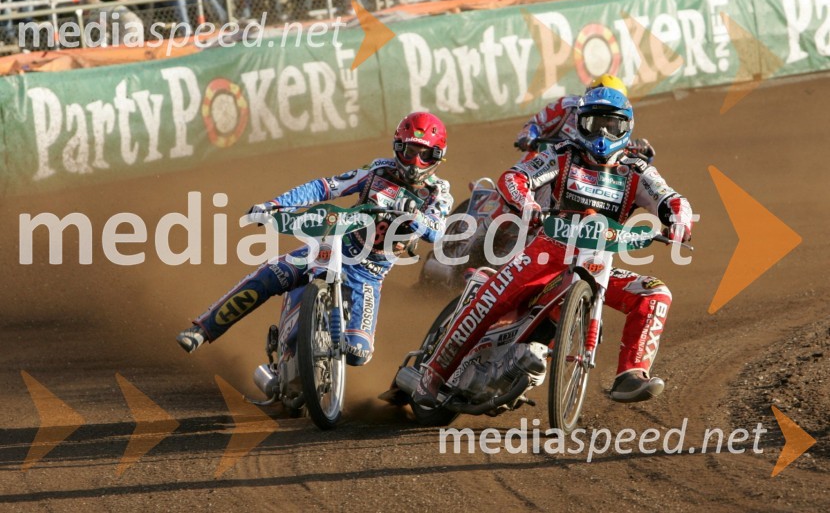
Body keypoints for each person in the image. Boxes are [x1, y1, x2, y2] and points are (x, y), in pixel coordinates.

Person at [414, 87, 693, 406]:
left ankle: (630, 375)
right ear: (579, 123)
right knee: (489, 299)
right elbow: (514, 177)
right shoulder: (563, 155)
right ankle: (433, 373)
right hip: (544, 252)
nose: (602, 133)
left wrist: (679, 222)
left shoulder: (636, 170)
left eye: (611, 125)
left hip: (597, 262)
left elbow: (671, 198)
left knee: (655, 293)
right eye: (593, 124)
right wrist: (527, 203)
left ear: (626, 128)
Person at [177, 112, 453, 367]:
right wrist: (273, 205)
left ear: (438, 156)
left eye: (425, 154)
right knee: (271, 274)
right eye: (409, 151)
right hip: (332, 248)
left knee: (358, 354)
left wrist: (416, 219)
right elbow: (325, 187)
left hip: (368, 274)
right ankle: (202, 329)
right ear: (397, 148)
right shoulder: (377, 171)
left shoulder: (438, 192)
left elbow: (437, 230)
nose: (416, 161)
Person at [514, 73, 653, 161]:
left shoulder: (619, 123)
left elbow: (621, 144)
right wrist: (528, 137)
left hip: (582, 171)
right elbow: (536, 123)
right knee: (527, 165)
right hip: (545, 158)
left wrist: (640, 148)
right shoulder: (566, 106)